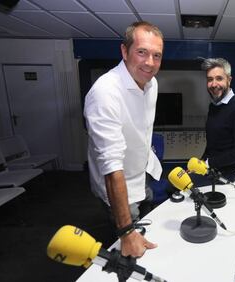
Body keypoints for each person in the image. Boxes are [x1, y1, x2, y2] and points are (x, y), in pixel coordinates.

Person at [84, 21, 163, 258]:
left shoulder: (152, 83)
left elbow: (142, 130)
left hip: (142, 176)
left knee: (152, 234)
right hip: (119, 187)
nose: (150, 62)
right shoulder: (105, 92)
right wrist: (126, 231)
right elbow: (111, 167)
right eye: (142, 52)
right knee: (130, 254)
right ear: (124, 51)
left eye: (156, 55)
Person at [200, 58, 235, 182]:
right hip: (210, 168)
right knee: (175, 185)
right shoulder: (214, 105)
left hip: (226, 174)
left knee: (179, 191)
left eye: (219, 78)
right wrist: (200, 162)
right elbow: (212, 144)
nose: (213, 84)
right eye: (210, 79)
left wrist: (208, 163)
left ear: (229, 80)